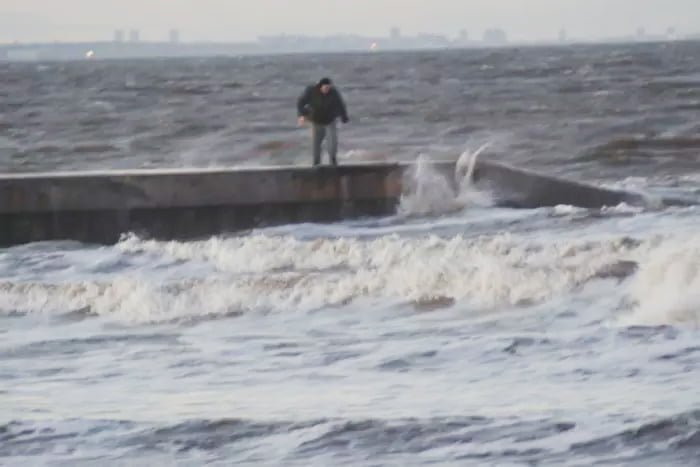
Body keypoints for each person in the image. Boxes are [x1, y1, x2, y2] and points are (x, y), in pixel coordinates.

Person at [297, 77, 349, 166]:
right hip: (316, 121)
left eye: (328, 88)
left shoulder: (334, 93)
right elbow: (300, 103)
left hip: (330, 121)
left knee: (332, 143)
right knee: (316, 145)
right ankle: (316, 164)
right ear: (320, 87)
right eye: (325, 88)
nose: (327, 90)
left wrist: (344, 117)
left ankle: (333, 162)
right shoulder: (311, 91)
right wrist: (302, 115)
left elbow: (340, 104)